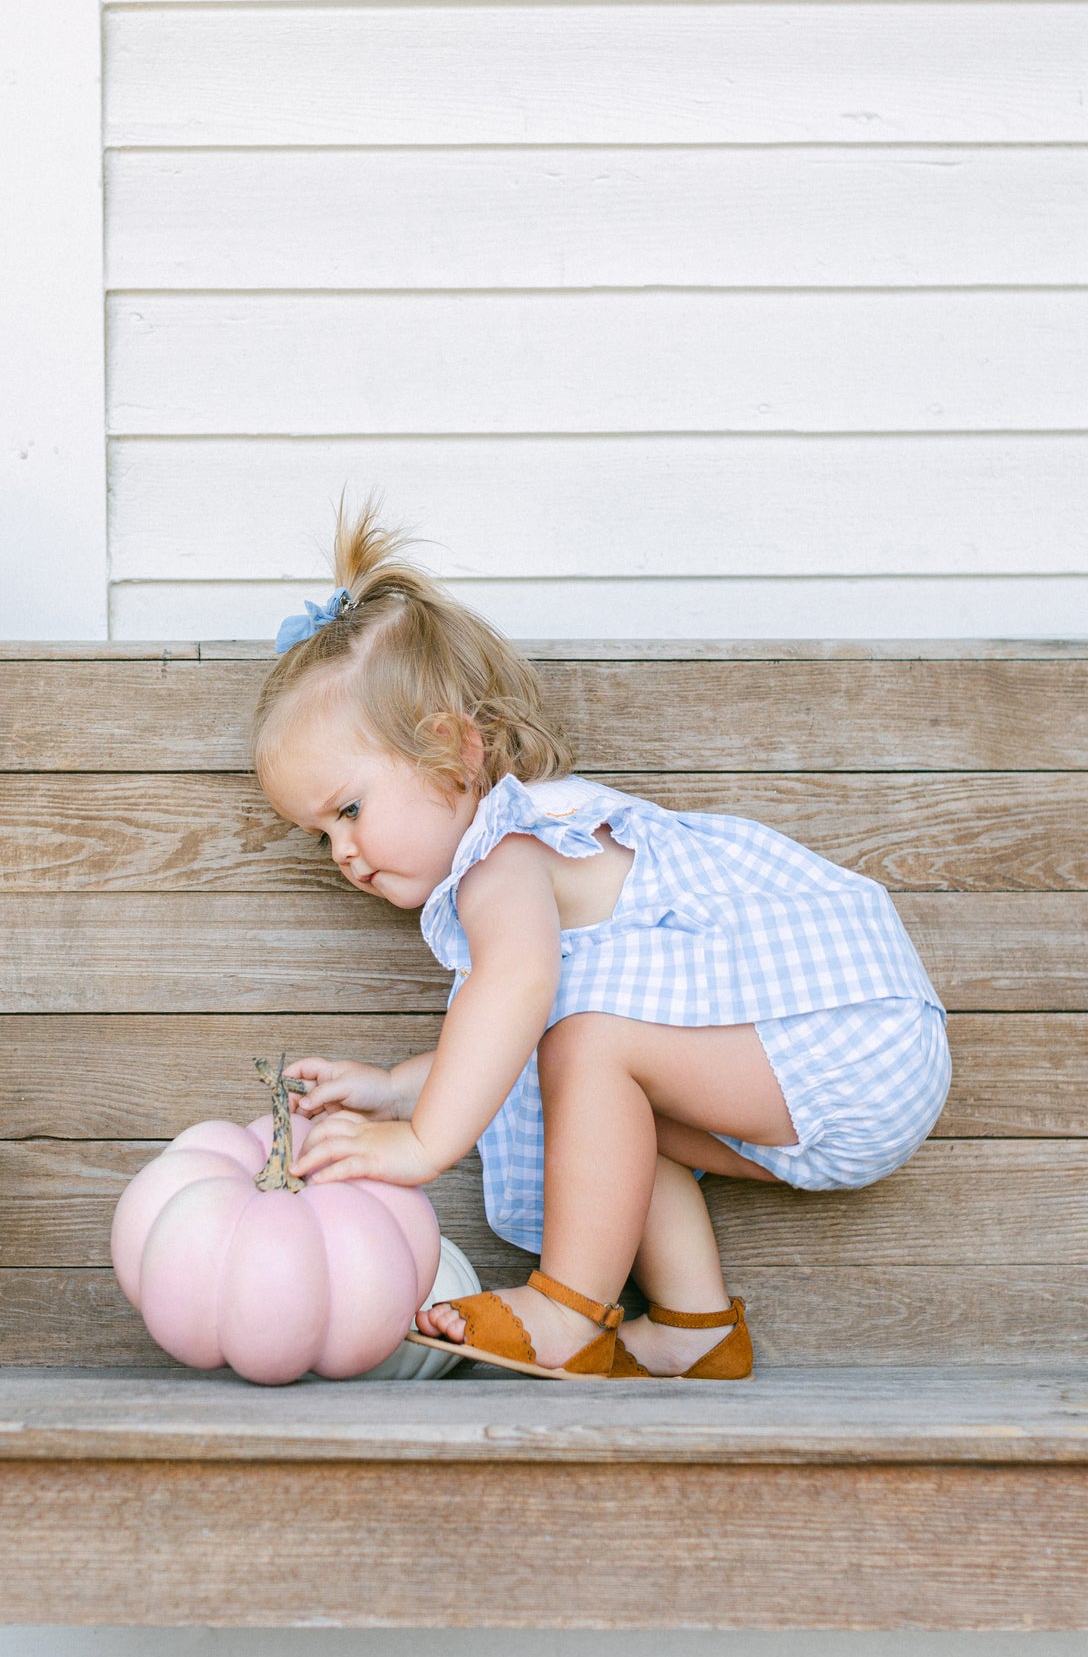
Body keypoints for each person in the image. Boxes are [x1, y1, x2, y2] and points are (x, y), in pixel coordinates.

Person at [254, 501, 951, 1381]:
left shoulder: (507, 856)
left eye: (348, 809)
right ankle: (697, 1326)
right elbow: (510, 1032)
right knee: (604, 1102)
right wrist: (396, 1089)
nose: (343, 853)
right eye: (320, 836)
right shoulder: (529, 853)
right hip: (837, 1065)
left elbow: (510, 992)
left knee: (586, 1052)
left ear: (452, 753)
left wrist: (422, 1141)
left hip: (845, 1039)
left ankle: (564, 1309)